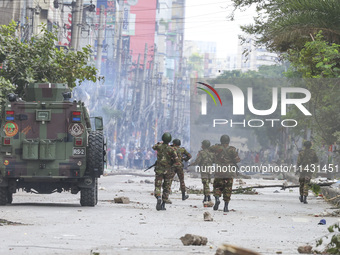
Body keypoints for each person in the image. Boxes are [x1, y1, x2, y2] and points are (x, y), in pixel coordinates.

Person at [209, 135, 240, 212]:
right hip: (229, 172)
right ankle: (226, 207)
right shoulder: (232, 150)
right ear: (228, 141)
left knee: (217, 186)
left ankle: (217, 199)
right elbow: (237, 160)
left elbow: (209, 150)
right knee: (228, 188)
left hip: (219, 171)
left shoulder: (216, 148)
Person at [152, 132, 180, 211]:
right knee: (166, 187)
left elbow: (153, 147)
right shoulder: (171, 149)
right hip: (168, 170)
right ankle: (163, 204)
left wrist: (159, 143)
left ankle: (158, 197)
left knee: (158, 185)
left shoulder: (159, 146)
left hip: (159, 169)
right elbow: (176, 160)